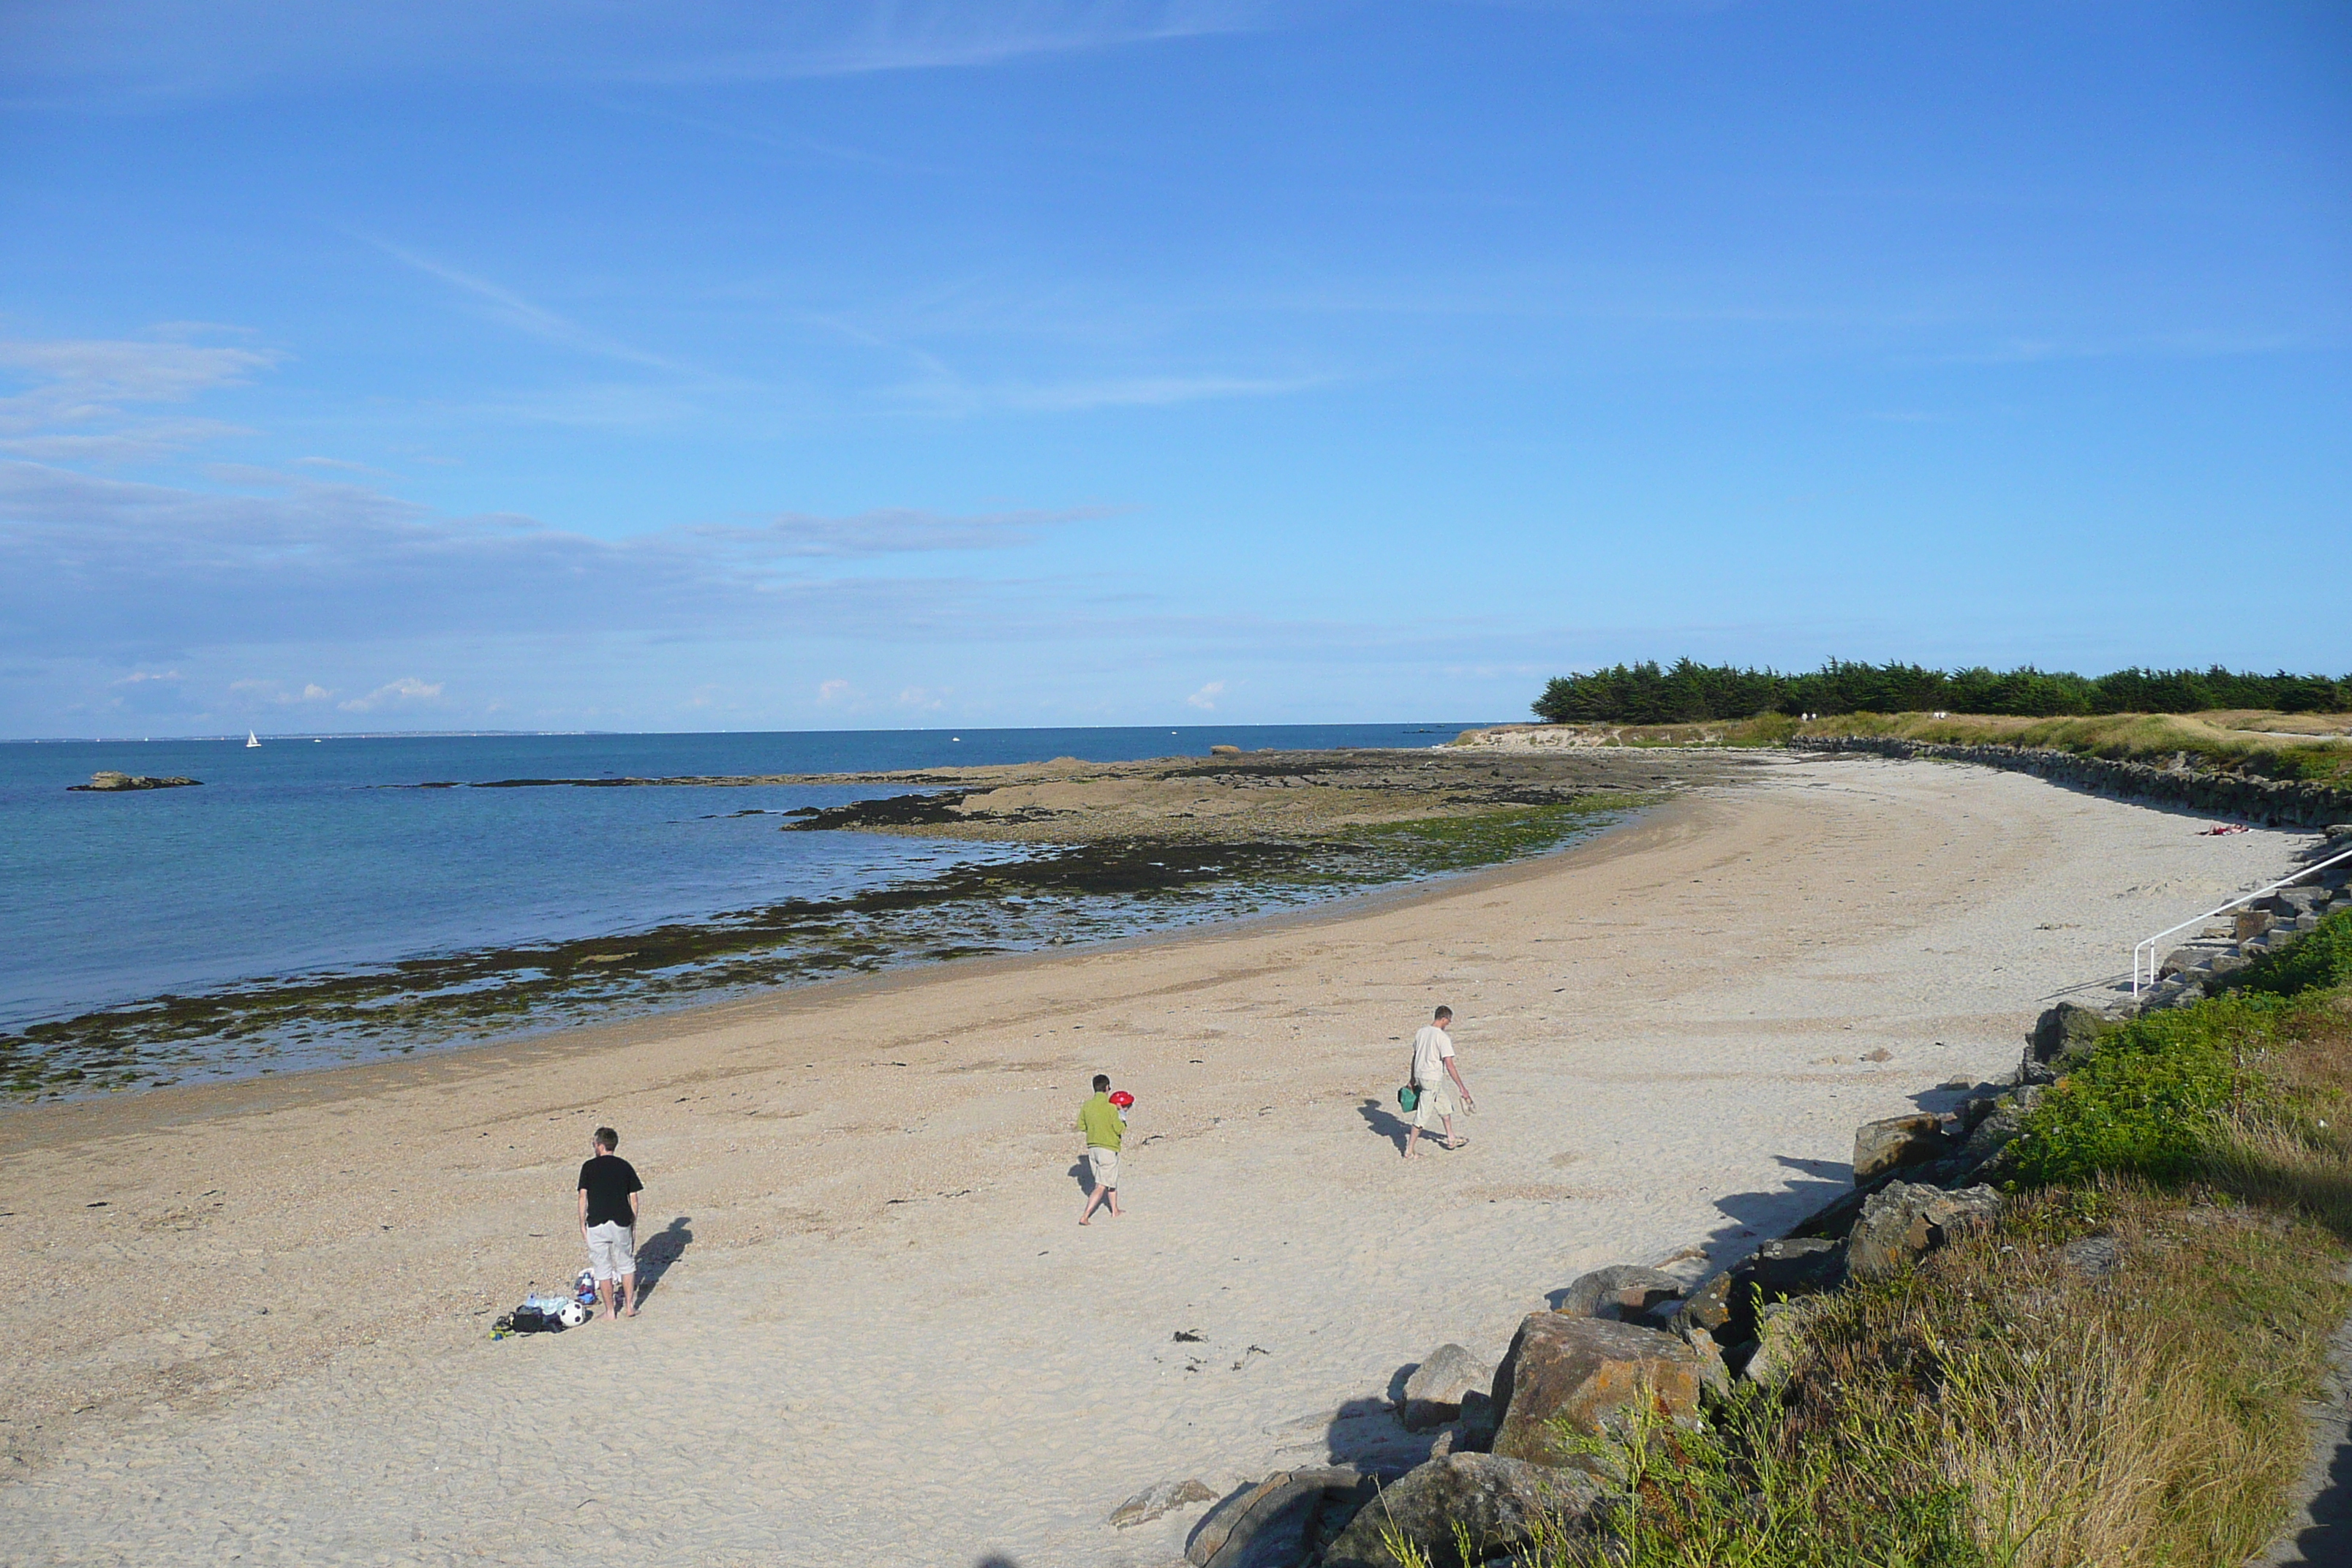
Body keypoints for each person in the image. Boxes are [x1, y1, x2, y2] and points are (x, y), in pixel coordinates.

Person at [577, 1126, 644, 1320]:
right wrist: (634, 1222)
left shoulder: (588, 1167)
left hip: (597, 1222)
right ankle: (630, 1306)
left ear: (600, 1145)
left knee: (602, 1268)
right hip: (622, 1220)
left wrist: (582, 1224)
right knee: (626, 1263)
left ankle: (610, 1311)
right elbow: (634, 1198)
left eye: (594, 1143)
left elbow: (583, 1197)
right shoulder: (624, 1166)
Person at [1403, 1006, 1475, 1158]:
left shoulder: (1421, 1032)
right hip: (1432, 1080)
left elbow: (1414, 1058)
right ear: (1443, 1019)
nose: (1448, 1025)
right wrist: (1462, 1088)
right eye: (1448, 1022)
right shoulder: (1442, 1038)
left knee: (1445, 1107)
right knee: (1422, 1116)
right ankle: (1409, 1150)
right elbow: (1449, 1064)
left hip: (1421, 1076)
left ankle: (1451, 1138)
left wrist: (1412, 1079)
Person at [1077, 1074, 1125, 1224]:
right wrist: (1122, 1114)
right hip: (1108, 1148)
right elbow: (1119, 1129)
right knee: (1102, 1185)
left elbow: (1081, 1126)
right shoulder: (1111, 1108)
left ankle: (1115, 1210)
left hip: (1093, 1148)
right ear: (1107, 1087)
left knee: (1109, 1180)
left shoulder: (1087, 1106)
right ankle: (1085, 1215)